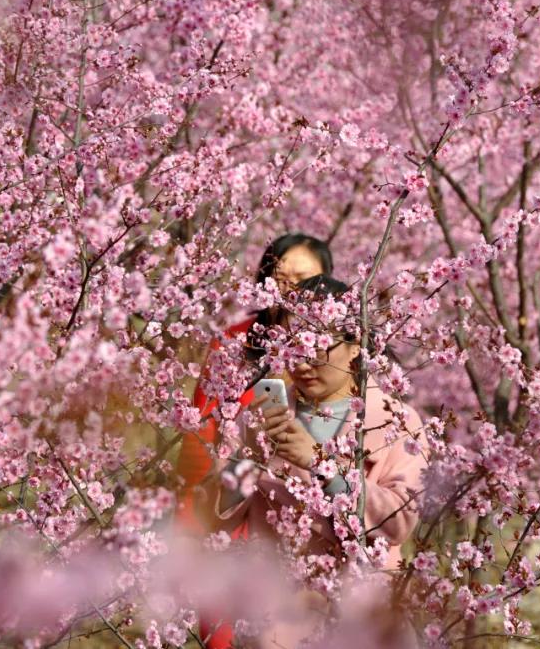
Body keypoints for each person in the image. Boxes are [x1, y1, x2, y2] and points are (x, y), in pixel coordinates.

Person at [210, 275, 428, 648]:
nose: (302, 363)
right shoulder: (261, 417)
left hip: (365, 614)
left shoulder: (398, 421)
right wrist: (250, 455)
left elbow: (399, 522)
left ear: (355, 345)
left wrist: (320, 463)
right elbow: (219, 515)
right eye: (291, 346)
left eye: (317, 346)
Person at [175, 234, 333, 648]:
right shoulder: (234, 342)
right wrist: (195, 513)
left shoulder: (339, 353)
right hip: (234, 506)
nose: (290, 290)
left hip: (311, 524)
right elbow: (202, 431)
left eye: (303, 279)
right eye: (280, 278)